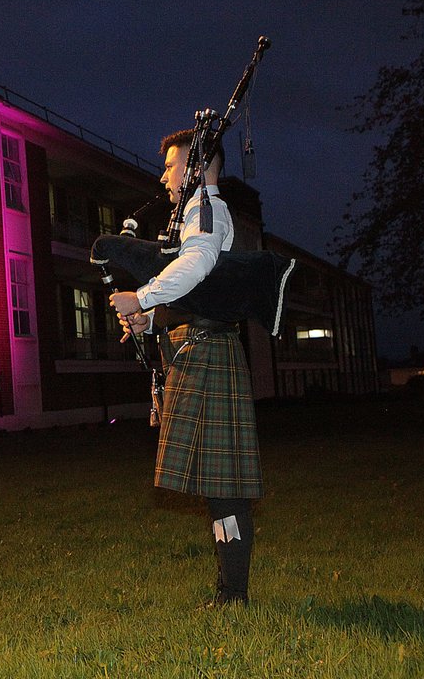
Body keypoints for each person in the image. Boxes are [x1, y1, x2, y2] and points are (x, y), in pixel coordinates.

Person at [109, 128, 263, 606]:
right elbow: (196, 295)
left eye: (171, 166)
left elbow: (195, 267)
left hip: (207, 353)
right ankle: (228, 590)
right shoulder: (194, 216)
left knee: (226, 490)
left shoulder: (206, 210)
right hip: (192, 349)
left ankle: (233, 593)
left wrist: (144, 295)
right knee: (216, 489)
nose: (164, 176)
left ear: (195, 168)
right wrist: (149, 320)